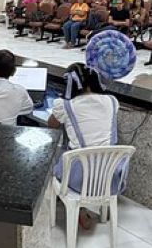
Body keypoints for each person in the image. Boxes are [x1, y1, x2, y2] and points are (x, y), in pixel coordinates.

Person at [47, 63, 124, 231]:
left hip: (79, 178)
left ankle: (79, 209)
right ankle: (99, 208)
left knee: (57, 154)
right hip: (110, 176)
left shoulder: (65, 106)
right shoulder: (112, 101)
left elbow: (51, 125)